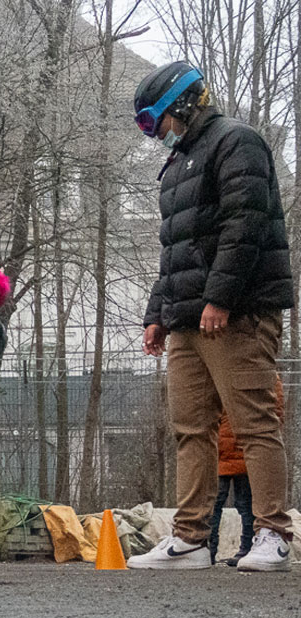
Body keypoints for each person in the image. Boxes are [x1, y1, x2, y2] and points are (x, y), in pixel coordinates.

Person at [128, 62, 294, 572]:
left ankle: (272, 533)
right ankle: (190, 539)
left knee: (254, 425)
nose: (157, 134)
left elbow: (244, 224)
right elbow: (172, 250)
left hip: (236, 315)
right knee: (189, 428)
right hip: (186, 321)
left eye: (157, 122)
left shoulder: (236, 141)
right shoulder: (176, 164)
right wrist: (158, 314)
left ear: (181, 105)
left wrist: (220, 298)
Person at [207, 376, 285, 566]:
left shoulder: (219, 372)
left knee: (214, 504)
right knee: (246, 504)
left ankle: (209, 549)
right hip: (243, 451)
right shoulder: (268, 377)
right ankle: (248, 548)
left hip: (221, 452)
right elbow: (276, 413)